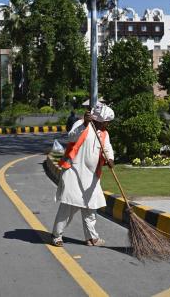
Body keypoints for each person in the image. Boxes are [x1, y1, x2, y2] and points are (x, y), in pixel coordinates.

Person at [52, 103, 115, 247]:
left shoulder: (104, 133)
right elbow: (71, 137)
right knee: (68, 207)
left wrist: (110, 159)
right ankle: (57, 235)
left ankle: (92, 238)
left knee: (90, 208)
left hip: (91, 176)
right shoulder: (81, 124)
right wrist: (85, 123)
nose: (108, 124)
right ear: (100, 120)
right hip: (73, 172)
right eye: (107, 122)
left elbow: (107, 148)